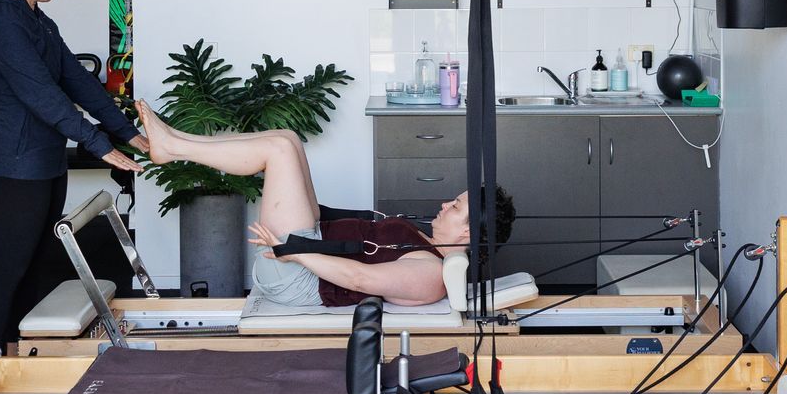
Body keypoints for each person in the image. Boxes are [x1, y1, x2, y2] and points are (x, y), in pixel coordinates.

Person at [135, 100, 515, 307]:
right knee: (288, 138)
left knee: (278, 150)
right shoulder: (428, 246)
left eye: (456, 207)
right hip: (311, 241)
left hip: (298, 277)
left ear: (467, 231)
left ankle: (173, 147)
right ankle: (174, 140)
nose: (445, 203)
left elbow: (359, 278)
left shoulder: (432, 274)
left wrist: (294, 251)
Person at [0, 0, 148, 346]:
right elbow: (39, 94)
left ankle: (16, 354)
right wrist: (98, 144)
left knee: (33, 264)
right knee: (8, 268)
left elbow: (76, 80)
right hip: (15, 162)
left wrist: (127, 132)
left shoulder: (38, 20)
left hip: (45, 161)